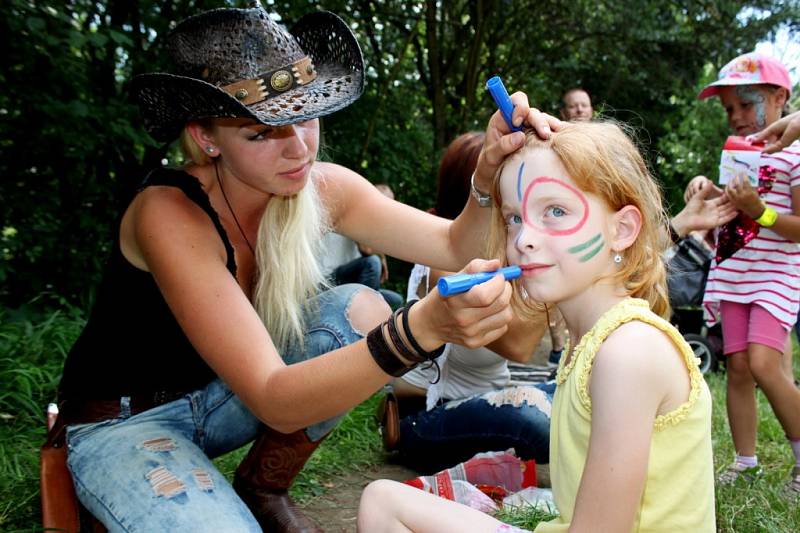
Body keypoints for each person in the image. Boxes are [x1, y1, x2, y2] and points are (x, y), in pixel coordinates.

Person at [50, 4, 562, 532]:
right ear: (206, 138)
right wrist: (421, 328)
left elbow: (454, 248)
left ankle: (261, 487)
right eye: (261, 133)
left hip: (218, 398)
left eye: (306, 116)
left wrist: (486, 173)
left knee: (357, 309)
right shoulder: (168, 213)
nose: (298, 149)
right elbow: (276, 401)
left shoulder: (320, 188)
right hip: (128, 421)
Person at [358, 120, 716, 532]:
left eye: (556, 211)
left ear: (622, 230)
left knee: (384, 504)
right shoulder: (596, 343)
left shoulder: (627, 352)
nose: (524, 237)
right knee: (383, 500)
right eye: (513, 217)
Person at [386, 131, 554, 475]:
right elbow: (520, 345)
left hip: (485, 408)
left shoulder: (509, 255)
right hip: (425, 424)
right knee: (535, 420)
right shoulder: (441, 265)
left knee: (593, 389)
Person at [689, 52, 800, 493]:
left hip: (776, 276)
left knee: (763, 363)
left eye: (746, 104)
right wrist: (707, 188)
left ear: (778, 98)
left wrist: (763, 212)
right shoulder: (737, 153)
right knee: (737, 367)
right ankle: (746, 460)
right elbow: (732, 213)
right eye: (729, 109)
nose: (736, 117)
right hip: (734, 273)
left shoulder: (795, 152)